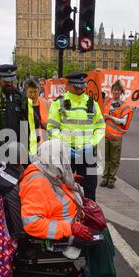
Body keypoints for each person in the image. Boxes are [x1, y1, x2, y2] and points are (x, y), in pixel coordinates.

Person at [19, 140, 120, 277]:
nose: (66, 164)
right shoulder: (37, 183)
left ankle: (97, 274)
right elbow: (32, 223)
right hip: (60, 232)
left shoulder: (44, 169)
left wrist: (69, 180)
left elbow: (54, 189)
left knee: (102, 229)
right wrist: (71, 228)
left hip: (68, 221)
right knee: (99, 239)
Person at [47, 72, 105, 201]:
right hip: (67, 153)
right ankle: (67, 217)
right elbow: (52, 128)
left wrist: (93, 143)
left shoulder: (91, 103)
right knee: (64, 189)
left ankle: (89, 216)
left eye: (82, 87)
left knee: (90, 188)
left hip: (88, 153)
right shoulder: (59, 102)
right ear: (68, 86)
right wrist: (63, 145)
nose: (80, 90)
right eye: (76, 87)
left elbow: (100, 127)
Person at [100, 80, 134, 189]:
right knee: (106, 158)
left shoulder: (124, 106)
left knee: (114, 159)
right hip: (105, 135)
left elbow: (123, 121)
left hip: (116, 137)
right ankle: (105, 177)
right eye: (115, 90)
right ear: (112, 91)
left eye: (118, 90)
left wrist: (110, 117)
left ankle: (111, 179)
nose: (116, 92)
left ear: (121, 92)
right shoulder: (106, 102)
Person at [25, 79, 50, 147]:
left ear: (39, 91)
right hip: (28, 144)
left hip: (43, 144)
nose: (33, 95)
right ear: (26, 92)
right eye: (30, 92)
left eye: (35, 91)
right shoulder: (23, 106)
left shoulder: (46, 104)